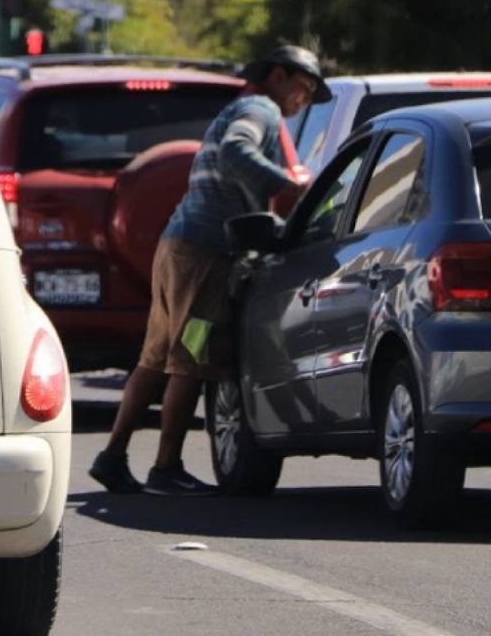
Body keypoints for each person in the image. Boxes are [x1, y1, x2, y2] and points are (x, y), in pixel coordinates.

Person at [88, 44, 330, 496]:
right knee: (191, 360)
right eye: (304, 87)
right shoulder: (260, 108)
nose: (304, 100)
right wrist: (290, 185)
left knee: (156, 357)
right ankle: (166, 468)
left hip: (179, 246)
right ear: (278, 75)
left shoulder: (244, 107)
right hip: (207, 253)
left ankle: (112, 457)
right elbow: (237, 151)